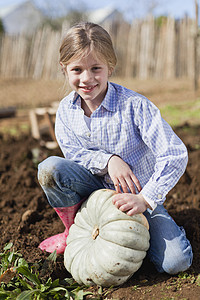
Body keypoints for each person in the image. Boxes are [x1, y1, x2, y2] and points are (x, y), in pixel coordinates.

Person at [38, 22, 193, 274]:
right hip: (92, 193)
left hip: (135, 196)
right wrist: (109, 160)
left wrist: (145, 199)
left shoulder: (135, 106)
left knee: (176, 262)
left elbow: (174, 154)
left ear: (110, 67)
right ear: (64, 69)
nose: (86, 78)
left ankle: (144, 236)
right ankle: (72, 229)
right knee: (50, 168)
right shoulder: (66, 111)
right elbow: (74, 155)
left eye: (95, 68)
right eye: (77, 69)